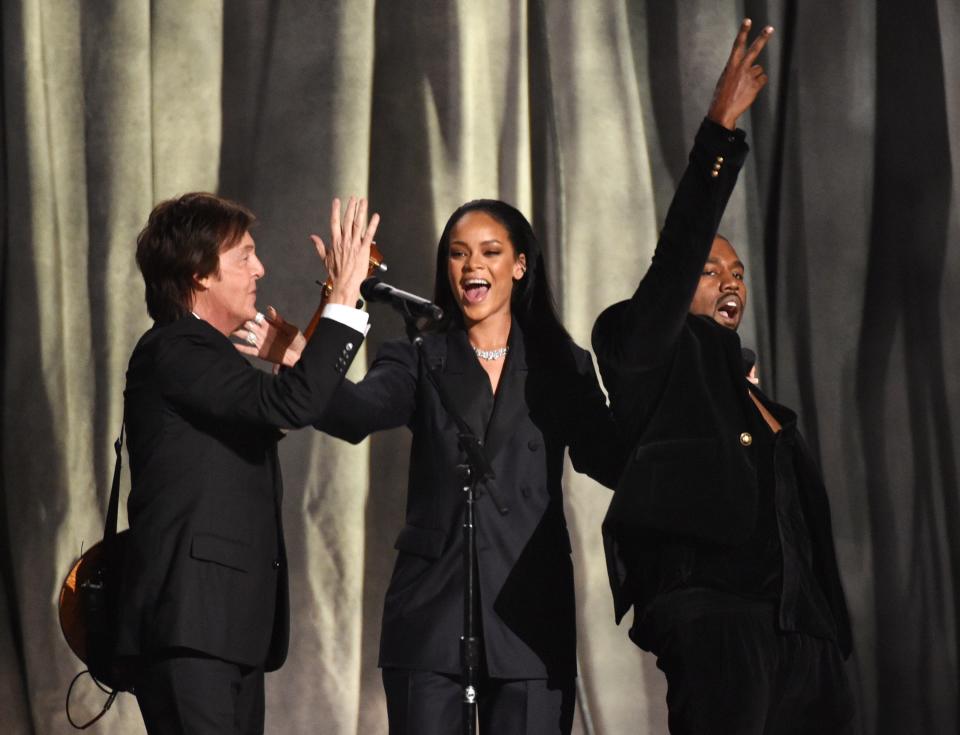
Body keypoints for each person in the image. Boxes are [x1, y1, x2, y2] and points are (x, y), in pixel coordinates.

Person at [244, 199, 624, 734]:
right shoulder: (419, 355)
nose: (472, 266)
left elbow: (608, 457)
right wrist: (302, 358)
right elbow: (358, 414)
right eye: (458, 254)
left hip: (529, 615)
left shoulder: (562, 365)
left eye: (490, 252)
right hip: (433, 616)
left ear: (519, 266)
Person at [591, 20, 854, 734]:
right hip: (719, 621)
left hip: (809, 637)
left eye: (736, 273)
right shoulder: (640, 344)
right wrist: (718, 131)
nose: (729, 280)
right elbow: (676, 260)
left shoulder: (760, 397)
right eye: (711, 272)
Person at [117, 193, 379, 734]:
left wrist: (300, 350)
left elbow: (277, 414)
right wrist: (346, 294)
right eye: (244, 256)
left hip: (225, 627)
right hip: (190, 625)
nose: (260, 268)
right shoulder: (174, 349)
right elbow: (288, 406)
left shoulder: (204, 355)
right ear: (199, 274)